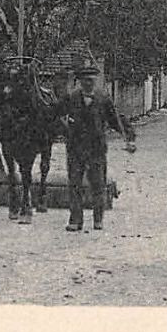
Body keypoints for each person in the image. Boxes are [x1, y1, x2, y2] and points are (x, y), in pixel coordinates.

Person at [57, 65, 135, 233]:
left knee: (98, 184)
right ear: (80, 82)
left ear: (96, 81)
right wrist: (66, 129)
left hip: (96, 149)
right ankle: (75, 220)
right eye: (86, 81)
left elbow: (116, 119)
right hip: (75, 148)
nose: (89, 84)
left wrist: (129, 137)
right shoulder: (71, 98)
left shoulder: (103, 99)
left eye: (92, 81)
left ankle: (98, 219)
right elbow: (58, 115)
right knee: (75, 184)